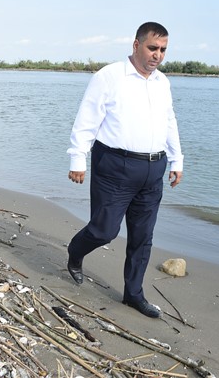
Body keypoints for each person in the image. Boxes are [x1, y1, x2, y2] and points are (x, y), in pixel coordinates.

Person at [65, 22, 184, 318]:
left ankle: (133, 294)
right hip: (115, 165)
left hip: (153, 167)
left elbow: (169, 121)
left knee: (143, 237)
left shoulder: (162, 82)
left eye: (163, 50)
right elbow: (87, 119)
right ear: (136, 45)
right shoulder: (109, 77)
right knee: (104, 230)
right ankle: (75, 252)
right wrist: (78, 158)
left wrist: (176, 159)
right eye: (152, 48)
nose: (158, 55)